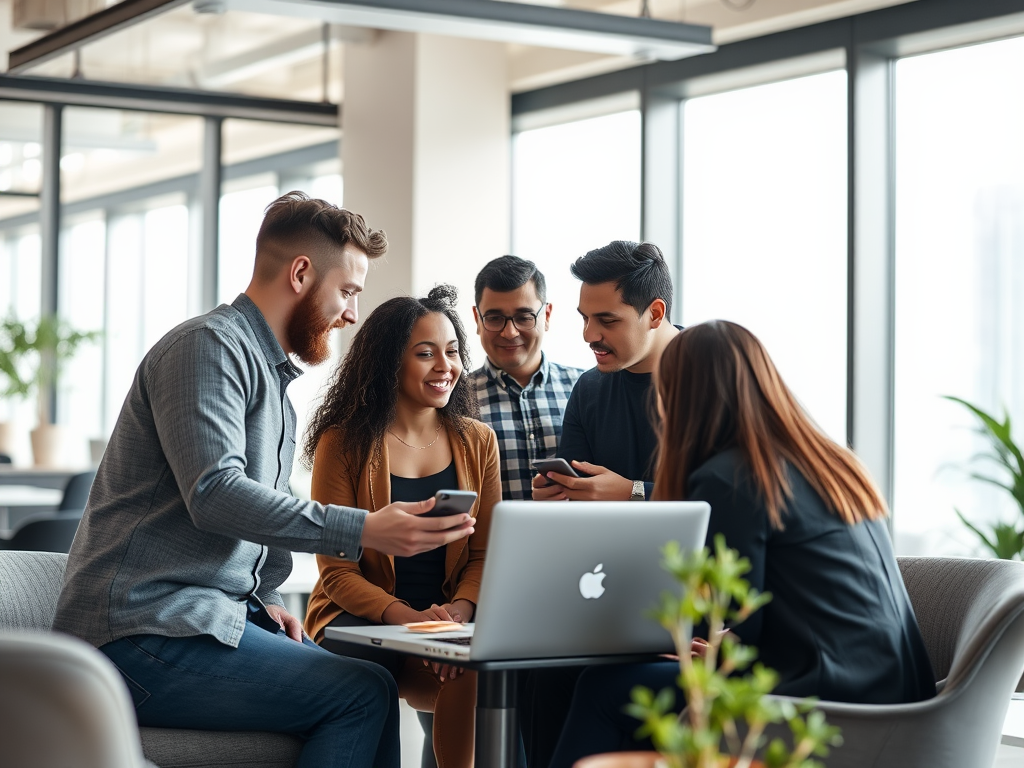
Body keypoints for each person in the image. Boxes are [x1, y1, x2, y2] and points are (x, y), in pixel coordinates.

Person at [51, 192, 476, 768]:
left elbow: (243, 521)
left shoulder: (275, 387)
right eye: (347, 291)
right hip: (138, 637)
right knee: (360, 692)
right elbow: (214, 494)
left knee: (363, 679)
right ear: (302, 273)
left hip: (193, 625)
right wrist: (365, 529)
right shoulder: (208, 348)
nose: (351, 314)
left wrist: (262, 598)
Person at [547, 320, 936, 767]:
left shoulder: (732, 476)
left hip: (827, 701)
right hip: (896, 694)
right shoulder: (828, 463)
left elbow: (734, 616)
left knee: (604, 688)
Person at [303, 284, 500, 768]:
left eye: (452, 352)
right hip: (358, 621)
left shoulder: (478, 441)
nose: (445, 366)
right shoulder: (343, 442)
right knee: (368, 676)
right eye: (426, 353)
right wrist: (413, 622)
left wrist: (454, 614)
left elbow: (485, 555)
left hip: (444, 622)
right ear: (389, 362)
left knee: (470, 671)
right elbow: (337, 573)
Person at [531, 240, 679, 504]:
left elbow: (737, 495)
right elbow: (579, 503)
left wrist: (634, 492)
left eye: (607, 321)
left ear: (655, 314)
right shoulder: (588, 388)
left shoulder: (717, 376)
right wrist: (560, 495)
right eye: (585, 318)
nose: (588, 335)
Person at [469, 255, 583, 501]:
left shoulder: (585, 389)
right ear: (477, 319)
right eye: (494, 318)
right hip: (491, 540)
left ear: (547, 316)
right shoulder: (454, 399)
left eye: (524, 317)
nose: (509, 332)